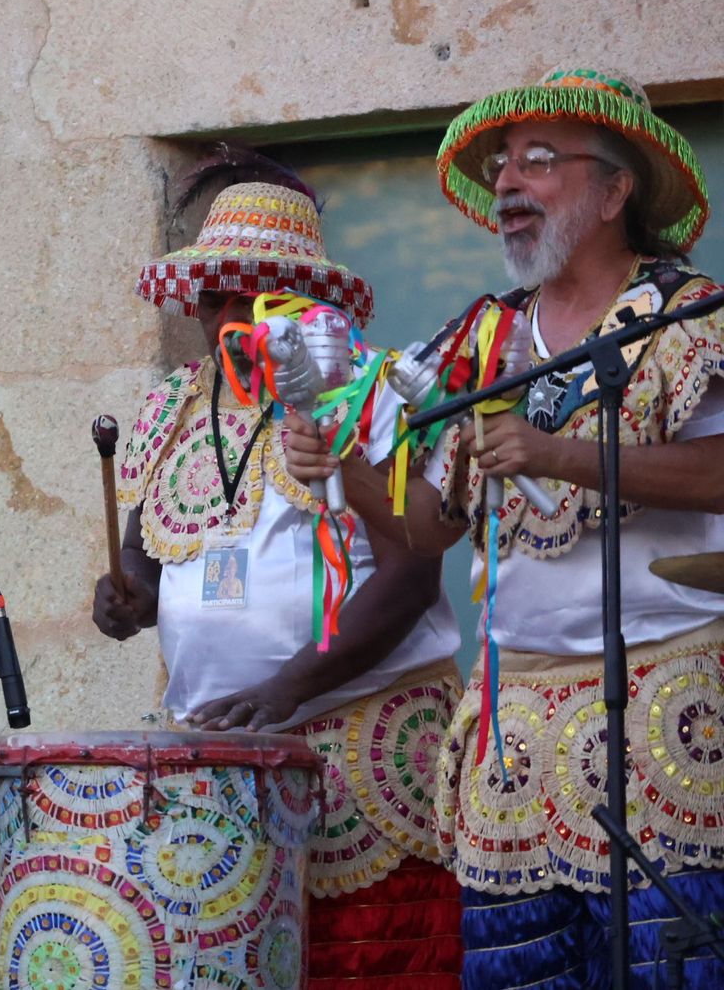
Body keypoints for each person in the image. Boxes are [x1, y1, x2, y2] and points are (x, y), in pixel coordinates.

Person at [284, 64, 724, 988]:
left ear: (615, 190)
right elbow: (428, 531)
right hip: (512, 725)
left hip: (663, 708)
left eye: (538, 161)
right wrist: (343, 465)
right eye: (501, 167)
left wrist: (558, 453)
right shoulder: (484, 338)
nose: (509, 185)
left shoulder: (685, 316)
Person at [94, 173, 465, 987]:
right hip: (226, 774)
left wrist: (287, 687)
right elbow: (145, 560)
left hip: (361, 757)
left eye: (255, 294)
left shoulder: (369, 392)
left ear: (302, 297)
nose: (231, 314)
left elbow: (411, 575)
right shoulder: (170, 406)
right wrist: (125, 597)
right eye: (216, 295)